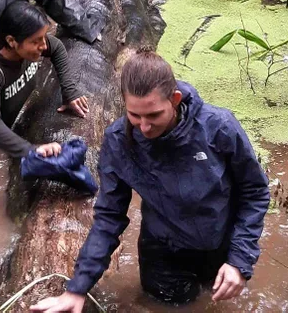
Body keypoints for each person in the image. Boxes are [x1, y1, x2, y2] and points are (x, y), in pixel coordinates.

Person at [31, 52, 270, 311]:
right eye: (134, 115)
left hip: (220, 244)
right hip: (163, 255)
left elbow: (255, 192)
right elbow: (109, 216)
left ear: (175, 100)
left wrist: (239, 260)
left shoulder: (219, 128)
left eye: (154, 115)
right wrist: (77, 289)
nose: (144, 127)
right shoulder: (118, 142)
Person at [0, 1, 90, 158]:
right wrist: (31, 151)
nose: (43, 45)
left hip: (3, 126)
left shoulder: (28, 48)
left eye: (43, 37)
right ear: (11, 41)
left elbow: (56, 47)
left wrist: (69, 91)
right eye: (36, 41)